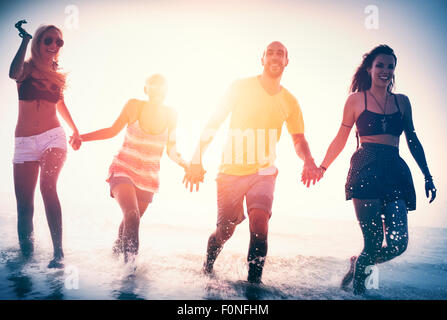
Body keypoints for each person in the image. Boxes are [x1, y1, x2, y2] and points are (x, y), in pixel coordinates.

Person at [183, 41, 319, 284]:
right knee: (224, 231)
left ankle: (253, 286)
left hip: (264, 172)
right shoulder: (240, 87)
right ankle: (208, 267)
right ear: (262, 59)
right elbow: (213, 122)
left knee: (260, 225)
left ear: (287, 61)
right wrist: (196, 158)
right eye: (270, 52)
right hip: (230, 171)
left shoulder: (290, 101)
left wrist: (308, 160)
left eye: (281, 53)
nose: (275, 56)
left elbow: (298, 138)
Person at [310, 45, 437, 294]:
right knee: (373, 243)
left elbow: (412, 139)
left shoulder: (402, 102)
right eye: (380, 65)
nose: (386, 71)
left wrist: (427, 175)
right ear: (369, 68)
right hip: (365, 168)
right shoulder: (356, 100)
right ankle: (359, 294)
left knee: (399, 244)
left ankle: (358, 263)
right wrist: (322, 167)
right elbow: (341, 138)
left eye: (391, 66)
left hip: (395, 169)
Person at [75, 74, 187, 263]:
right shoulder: (134, 106)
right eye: (154, 86)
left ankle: (114, 258)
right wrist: (81, 137)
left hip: (149, 177)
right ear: (146, 90)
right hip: (123, 168)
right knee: (132, 215)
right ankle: (130, 271)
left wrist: (187, 165)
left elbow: (172, 150)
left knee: (130, 221)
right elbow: (112, 131)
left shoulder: (171, 114)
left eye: (163, 88)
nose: (159, 91)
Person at [9, 23, 81, 268]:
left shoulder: (56, 75)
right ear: (38, 42)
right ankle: (25, 259)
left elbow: (60, 104)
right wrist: (23, 41)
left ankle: (58, 254)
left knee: (48, 186)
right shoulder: (25, 69)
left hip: (53, 137)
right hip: (24, 143)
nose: (54, 46)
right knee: (24, 205)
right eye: (48, 40)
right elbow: (12, 73)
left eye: (59, 42)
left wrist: (75, 130)